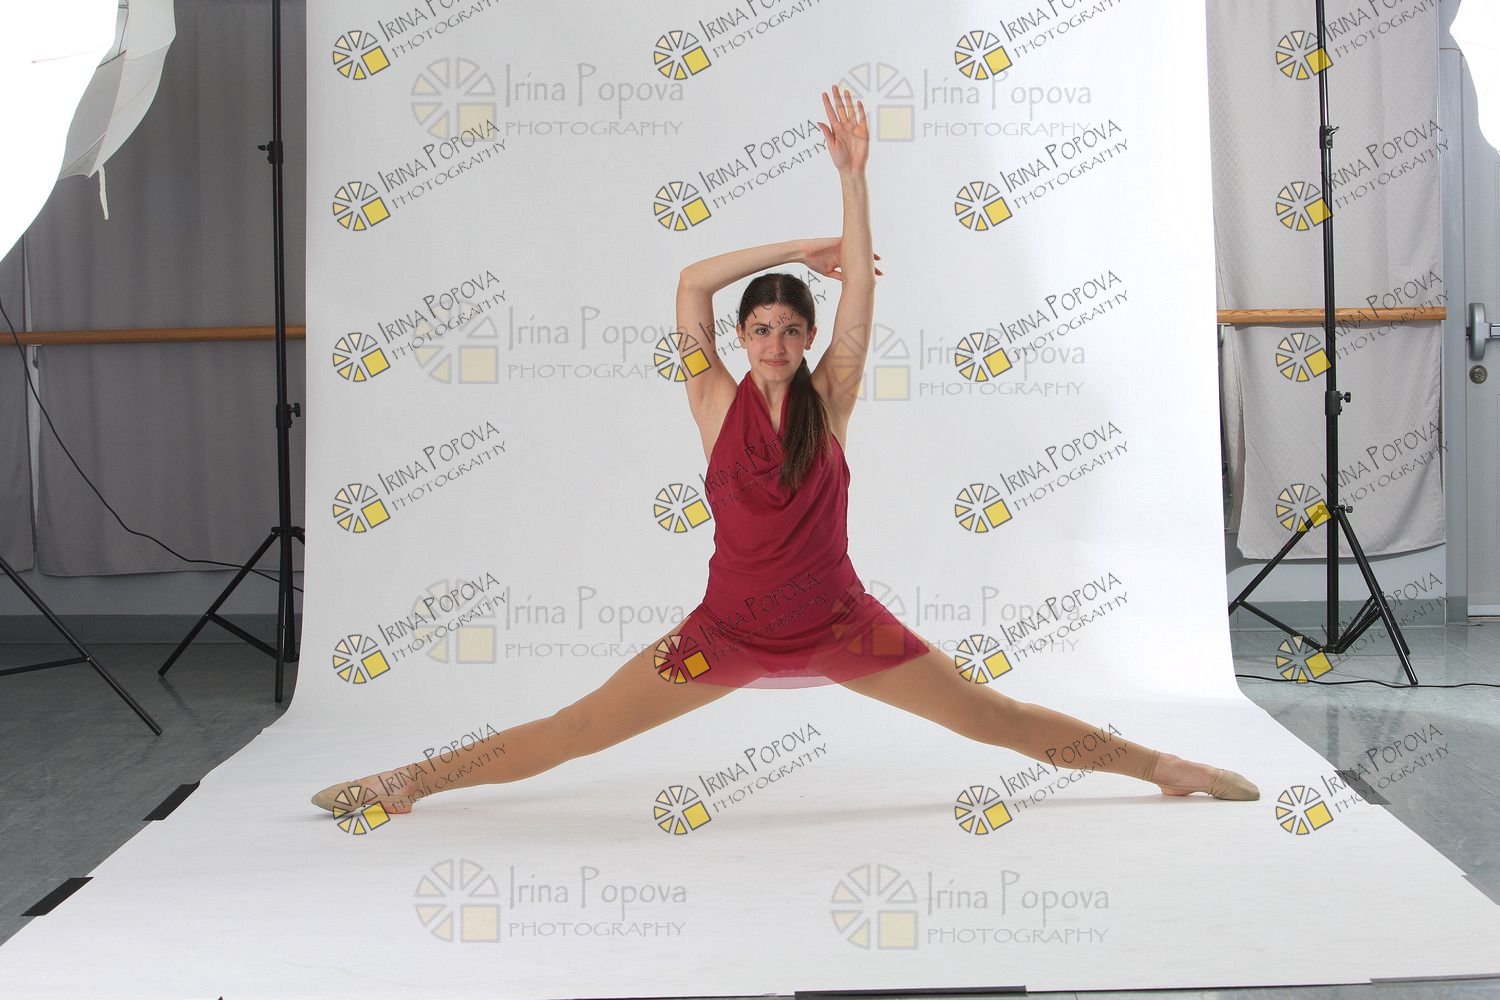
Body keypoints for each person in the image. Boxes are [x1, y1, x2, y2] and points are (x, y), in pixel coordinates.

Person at [312, 84, 1257, 818]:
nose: (772, 342)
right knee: (577, 728)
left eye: (788, 329)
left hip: (840, 621)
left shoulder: (831, 397)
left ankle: (1167, 768)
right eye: (759, 328)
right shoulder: (711, 398)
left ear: (807, 339)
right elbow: (690, 282)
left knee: (992, 715)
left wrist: (853, 181)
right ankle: (407, 782)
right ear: (742, 336)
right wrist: (803, 246)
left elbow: (862, 300)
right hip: (725, 630)